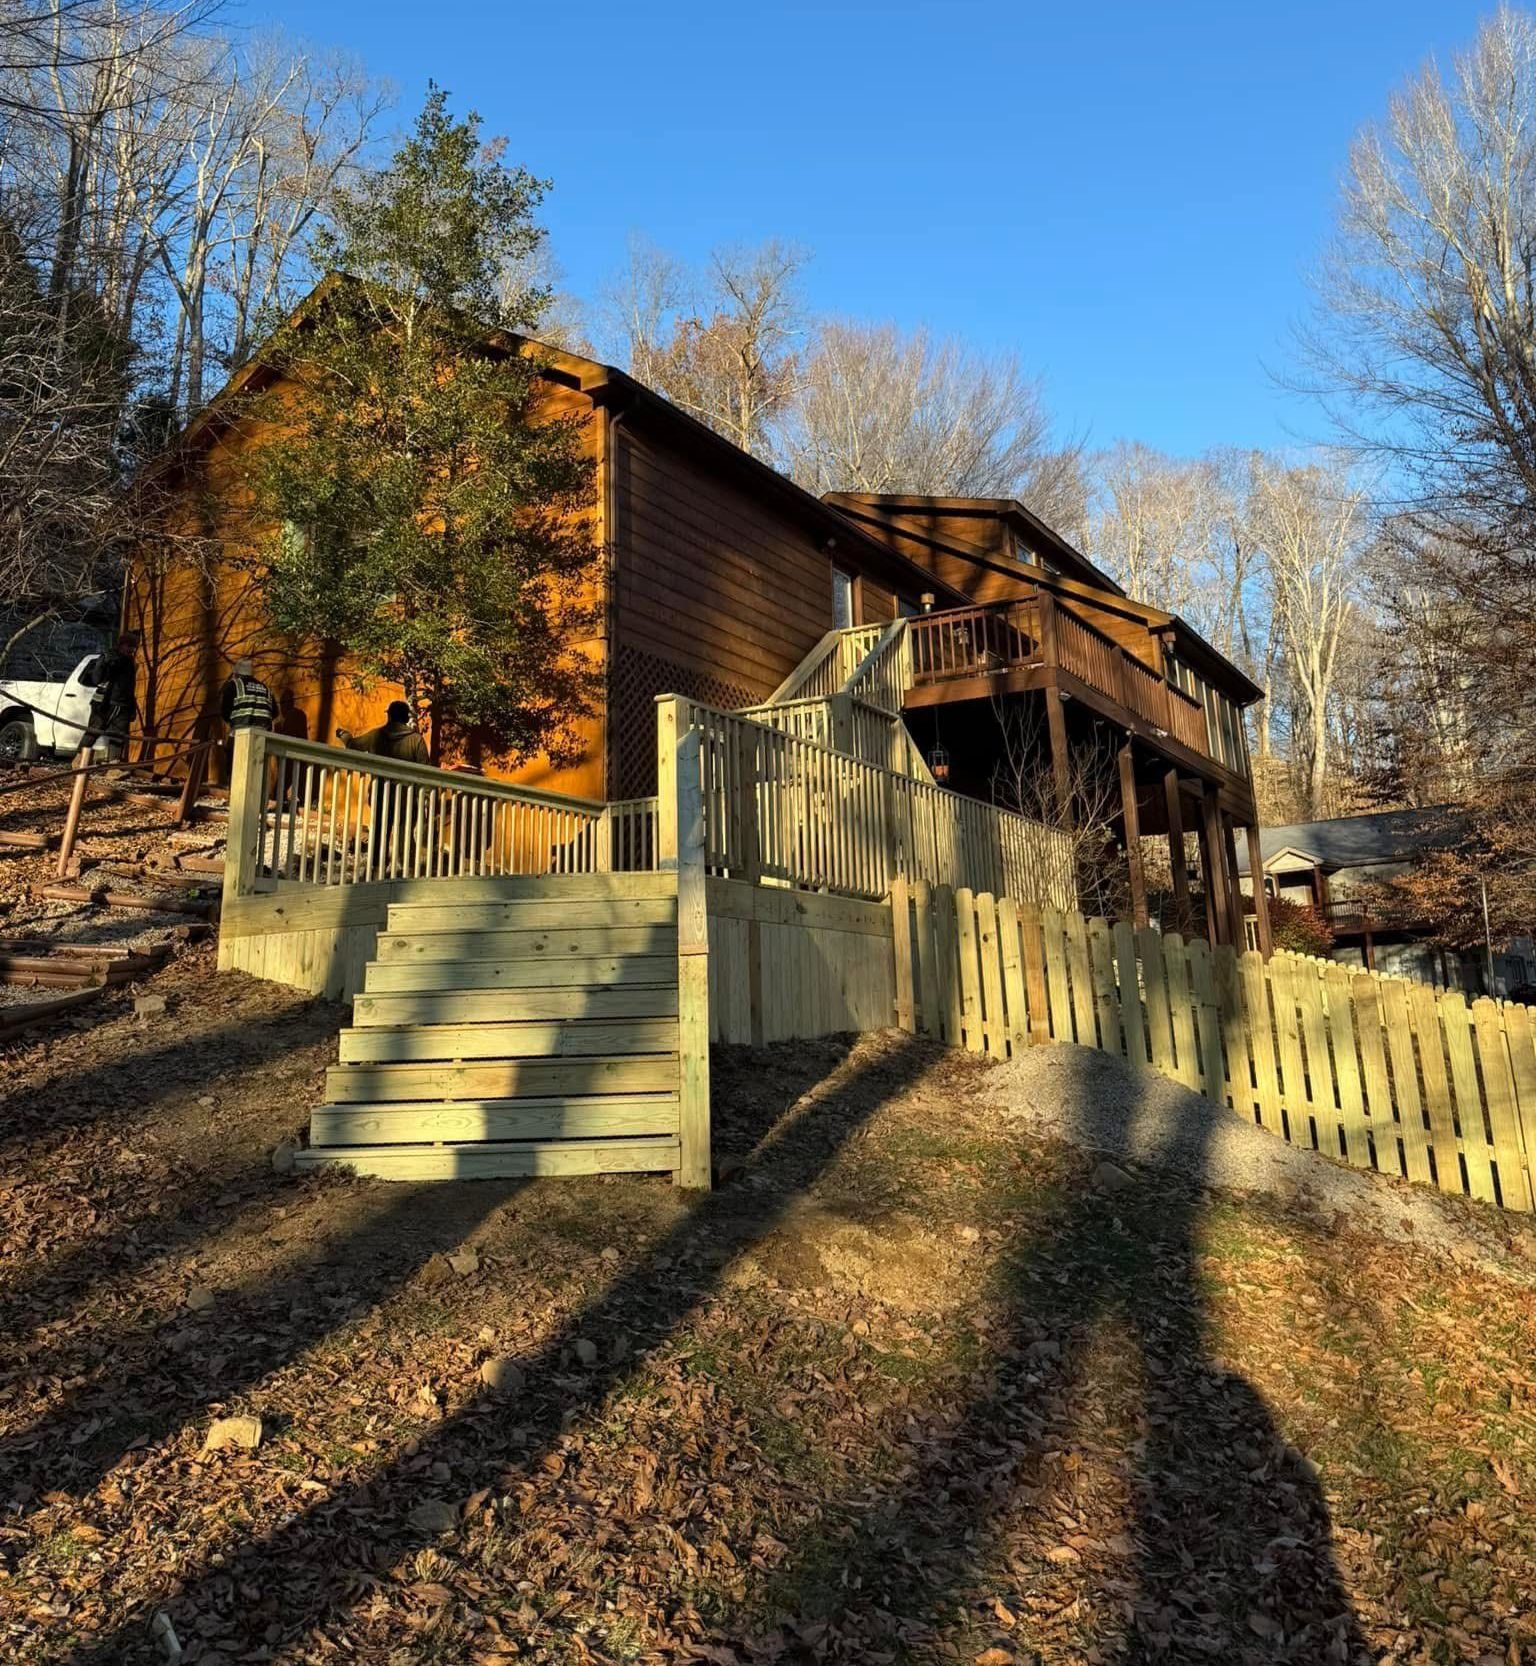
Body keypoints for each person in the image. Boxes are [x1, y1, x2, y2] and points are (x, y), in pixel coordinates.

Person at [84, 632, 139, 762]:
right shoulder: (108, 657)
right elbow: (96, 679)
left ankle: (113, 768)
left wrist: (131, 707)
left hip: (122, 705)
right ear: (121, 645)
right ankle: (80, 761)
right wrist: (105, 664)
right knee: (93, 732)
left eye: (134, 646)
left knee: (118, 738)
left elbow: (129, 687)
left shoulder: (129, 662)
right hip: (104, 703)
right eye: (130, 646)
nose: (133, 650)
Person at [338, 700, 430, 765]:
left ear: (389, 716)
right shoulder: (417, 740)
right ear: (406, 718)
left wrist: (343, 735)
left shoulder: (376, 735)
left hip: (378, 790)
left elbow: (352, 745)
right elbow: (425, 771)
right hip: (407, 792)